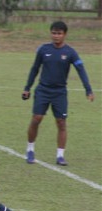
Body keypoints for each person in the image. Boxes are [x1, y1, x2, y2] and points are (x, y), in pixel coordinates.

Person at [22, 21, 94, 166]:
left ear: (65, 34)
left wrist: (88, 89)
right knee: (37, 118)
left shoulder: (70, 52)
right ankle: (30, 149)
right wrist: (27, 87)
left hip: (60, 92)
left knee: (61, 123)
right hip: (43, 90)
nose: (56, 36)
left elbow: (81, 70)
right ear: (51, 33)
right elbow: (35, 69)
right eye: (54, 33)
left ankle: (60, 155)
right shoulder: (43, 49)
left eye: (59, 33)